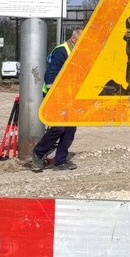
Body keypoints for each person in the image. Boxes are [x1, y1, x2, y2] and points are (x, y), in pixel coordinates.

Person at [31, 29, 82, 172]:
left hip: (69, 95)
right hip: (55, 95)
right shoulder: (61, 51)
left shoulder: (77, 52)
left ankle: (61, 161)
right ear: (73, 39)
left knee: (70, 129)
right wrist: (53, 97)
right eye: (81, 41)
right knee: (58, 127)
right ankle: (38, 153)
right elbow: (50, 74)